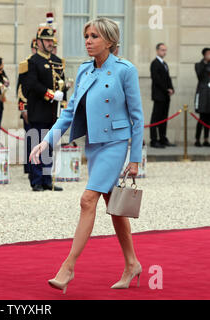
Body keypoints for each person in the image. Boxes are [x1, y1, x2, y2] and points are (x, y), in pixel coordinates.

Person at [30, 18, 144, 292]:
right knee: (113, 205)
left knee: (87, 200)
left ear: (109, 40)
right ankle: (132, 263)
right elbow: (68, 113)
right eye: (86, 36)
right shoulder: (83, 71)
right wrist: (47, 141)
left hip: (116, 144)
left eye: (94, 36)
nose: (88, 40)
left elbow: (137, 117)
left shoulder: (125, 70)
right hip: (94, 144)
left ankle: (68, 267)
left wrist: (135, 158)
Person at [24, 20, 66, 192]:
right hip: (38, 110)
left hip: (52, 112)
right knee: (36, 144)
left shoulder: (57, 61)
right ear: (39, 42)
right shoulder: (33, 61)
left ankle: (48, 180)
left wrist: (63, 101)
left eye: (51, 41)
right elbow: (32, 84)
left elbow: (62, 83)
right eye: (47, 40)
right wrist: (50, 94)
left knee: (49, 146)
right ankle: (36, 180)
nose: (50, 43)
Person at [149, 43, 175, 148]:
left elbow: (168, 78)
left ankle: (163, 138)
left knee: (164, 118)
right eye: (162, 50)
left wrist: (172, 88)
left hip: (166, 96)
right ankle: (154, 140)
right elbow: (157, 80)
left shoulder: (164, 64)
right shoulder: (154, 63)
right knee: (156, 118)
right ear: (157, 50)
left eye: (165, 50)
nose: (164, 52)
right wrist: (166, 89)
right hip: (159, 95)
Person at [17, 38, 37, 175]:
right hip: (29, 107)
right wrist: (23, 108)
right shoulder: (26, 64)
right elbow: (20, 89)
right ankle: (29, 167)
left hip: (41, 108)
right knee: (30, 138)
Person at [194, 47, 210, 147]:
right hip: (202, 94)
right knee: (202, 118)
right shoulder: (199, 65)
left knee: (208, 118)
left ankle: (206, 139)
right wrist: (205, 63)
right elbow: (199, 75)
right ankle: (197, 139)